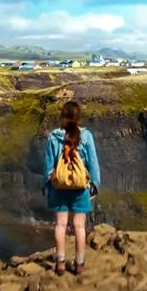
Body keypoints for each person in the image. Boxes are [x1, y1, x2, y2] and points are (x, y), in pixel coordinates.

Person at [43, 101, 100, 276]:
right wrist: (95, 185)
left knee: (60, 224)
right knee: (79, 226)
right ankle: (79, 264)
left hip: (59, 188)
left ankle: (60, 263)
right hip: (80, 188)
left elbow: (48, 165)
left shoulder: (53, 137)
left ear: (62, 117)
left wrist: (48, 184)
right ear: (78, 117)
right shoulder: (86, 136)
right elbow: (93, 163)